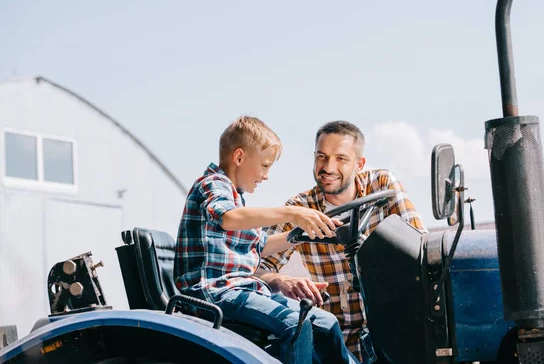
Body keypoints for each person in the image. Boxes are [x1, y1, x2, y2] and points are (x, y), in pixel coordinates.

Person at [173, 116, 359, 364]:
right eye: (264, 166)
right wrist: (291, 213)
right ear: (239, 158)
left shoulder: (236, 197)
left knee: (326, 322)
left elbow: (261, 246)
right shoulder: (213, 185)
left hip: (241, 290)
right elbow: (227, 218)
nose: (266, 176)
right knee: (296, 323)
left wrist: (303, 234)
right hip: (215, 292)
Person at [258, 120, 427, 363]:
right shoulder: (300, 209)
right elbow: (254, 265)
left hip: (395, 329)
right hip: (339, 341)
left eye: (341, 159)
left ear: (359, 164)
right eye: (321, 157)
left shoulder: (382, 186)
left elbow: (419, 248)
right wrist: (279, 280)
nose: (328, 167)